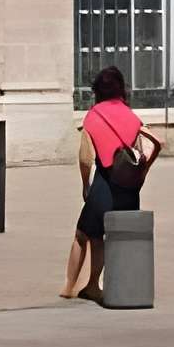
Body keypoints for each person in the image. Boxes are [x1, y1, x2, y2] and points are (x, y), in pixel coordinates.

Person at [64, 67, 157, 303]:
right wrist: (142, 174)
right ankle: (106, 284)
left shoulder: (93, 117)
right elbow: (144, 149)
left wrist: (85, 185)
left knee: (84, 235)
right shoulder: (132, 117)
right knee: (116, 238)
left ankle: (72, 286)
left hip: (104, 185)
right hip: (128, 188)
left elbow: (86, 158)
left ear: (96, 91)